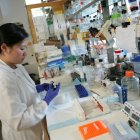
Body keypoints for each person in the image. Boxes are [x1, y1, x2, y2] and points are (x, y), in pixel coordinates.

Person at [0, 23, 60, 140]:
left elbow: (20, 91)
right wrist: (46, 101)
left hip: (35, 129)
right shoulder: (2, 78)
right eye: (21, 48)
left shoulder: (16, 65)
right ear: (4, 48)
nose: (25, 53)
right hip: (22, 135)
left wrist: (38, 88)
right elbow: (19, 121)